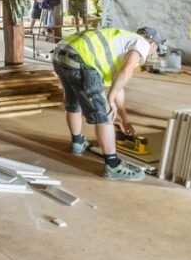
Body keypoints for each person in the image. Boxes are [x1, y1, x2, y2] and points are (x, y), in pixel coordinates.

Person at [51, 25, 165, 181]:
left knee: (73, 101)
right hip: (81, 57)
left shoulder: (121, 41)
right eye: (155, 50)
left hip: (61, 53)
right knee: (104, 114)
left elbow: (119, 85)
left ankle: (77, 143)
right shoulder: (142, 44)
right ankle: (113, 165)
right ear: (153, 43)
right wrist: (110, 99)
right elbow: (126, 72)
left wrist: (125, 119)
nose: (152, 54)